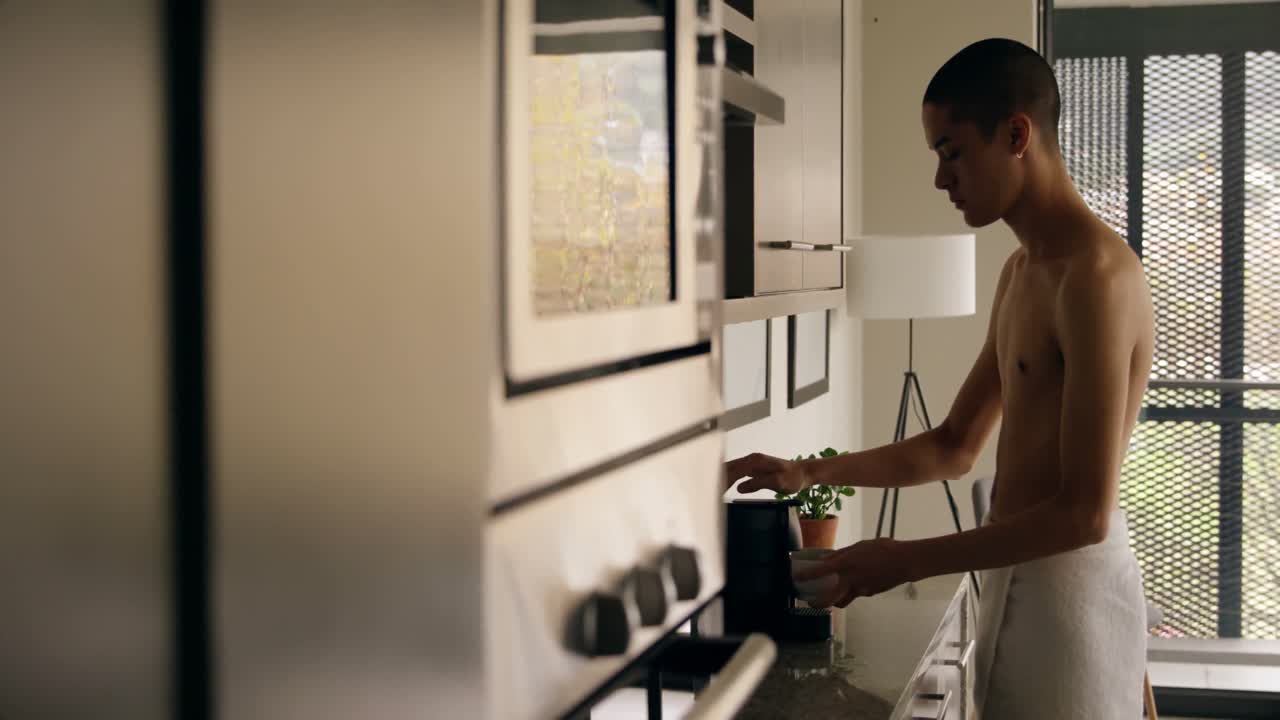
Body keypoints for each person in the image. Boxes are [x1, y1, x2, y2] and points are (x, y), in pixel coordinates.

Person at [725, 38, 1156, 718]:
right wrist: (810, 473)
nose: (940, 179)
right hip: (1011, 579)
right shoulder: (1021, 273)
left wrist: (902, 560)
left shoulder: (1096, 278)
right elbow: (952, 445)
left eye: (951, 152)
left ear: (1016, 134)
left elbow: (1085, 513)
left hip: (1070, 599)